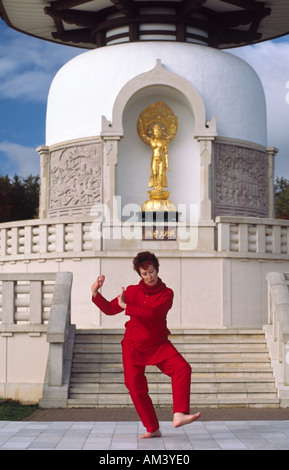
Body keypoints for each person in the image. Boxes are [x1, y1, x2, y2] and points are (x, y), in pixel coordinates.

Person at [91, 251, 200, 439]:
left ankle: (179, 414)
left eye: (151, 272)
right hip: (133, 345)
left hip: (158, 343)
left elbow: (152, 313)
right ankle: (152, 428)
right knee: (135, 387)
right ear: (139, 274)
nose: (149, 277)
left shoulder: (167, 294)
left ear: (157, 270)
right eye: (144, 273)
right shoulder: (132, 291)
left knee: (183, 369)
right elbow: (109, 309)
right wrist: (95, 292)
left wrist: (127, 307)